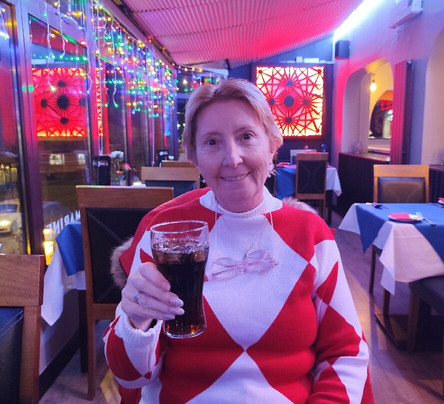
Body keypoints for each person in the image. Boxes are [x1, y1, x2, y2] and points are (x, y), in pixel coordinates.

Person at [104, 78, 373, 403]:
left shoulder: (310, 234)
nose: (232, 158)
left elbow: (346, 354)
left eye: (246, 136)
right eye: (212, 142)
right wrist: (136, 320)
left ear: (272, 143)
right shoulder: (164, 231)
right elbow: (130, 377)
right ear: (194, 156)